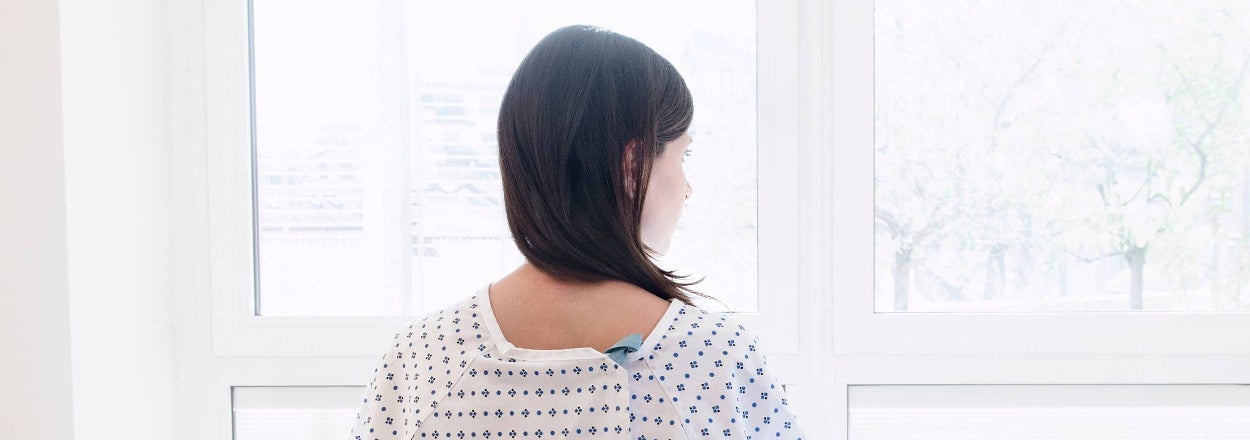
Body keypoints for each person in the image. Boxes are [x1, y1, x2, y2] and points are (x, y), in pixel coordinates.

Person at [349, 25, 806, 439]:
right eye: (682, 157)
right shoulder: (714, 359)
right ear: (634, 165)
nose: (687, 188)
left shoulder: (422, 358)